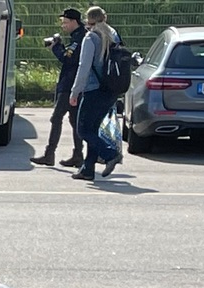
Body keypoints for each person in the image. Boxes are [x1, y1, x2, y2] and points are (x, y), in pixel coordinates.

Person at [68, 4, 121, 180]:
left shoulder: (91, 37)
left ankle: (110, 154)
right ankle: (87, 169)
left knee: (83, 130)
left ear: (88, 20)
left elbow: (83, 67)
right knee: (93, 129)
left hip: (93, 90)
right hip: (110, 90)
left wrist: (75, 92)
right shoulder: (113, 35)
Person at [33, 8, 86, 167]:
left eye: (65, 22)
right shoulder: (78, 36)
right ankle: (78, 155)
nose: (63, 26)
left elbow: (68, 59)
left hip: (70, 85)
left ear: (74, 22)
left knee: (57, 118)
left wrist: (56, 47)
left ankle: (50, 154)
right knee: (74, 120)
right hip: (74, 84)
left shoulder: (79, 38)